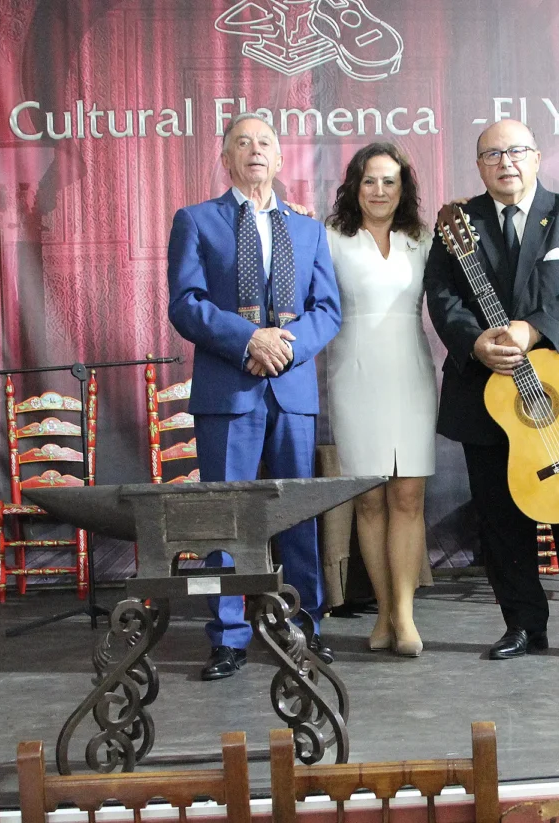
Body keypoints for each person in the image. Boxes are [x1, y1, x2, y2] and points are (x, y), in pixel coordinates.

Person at [423, 119, 559, 663]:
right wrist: (476, 341)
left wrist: (531, 330)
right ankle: (523, 627)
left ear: (535, 157)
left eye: (516, 151)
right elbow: (441, 295)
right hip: (485, 395)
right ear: (479, 165)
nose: (505, 162)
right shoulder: (458, 224)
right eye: (492, 154)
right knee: (501, 517)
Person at [167, 113, 342, 680]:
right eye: (242, 142)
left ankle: (304, 625)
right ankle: (228, 635)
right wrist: (249, 340)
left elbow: (327, 311)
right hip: (228, 390)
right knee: (226, 520)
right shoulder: (196, 221)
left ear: (281, 157)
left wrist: (284, 349)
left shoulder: (308, 229)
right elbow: (186, 304)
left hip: (291, 392)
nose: (255, 150)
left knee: (297, 516)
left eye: (265, 142)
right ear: (224, 157)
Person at [325, 143, 436, 658]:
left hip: (411, 375)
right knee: (369, 499)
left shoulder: (424, 240)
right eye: (370, 181)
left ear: (404, 188)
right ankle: (385, 613)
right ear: (355, 185)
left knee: (408, 496)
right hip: (354, 376)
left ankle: (406, 617)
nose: (379, 191)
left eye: (390, 181)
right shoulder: (330, 239)